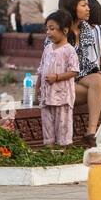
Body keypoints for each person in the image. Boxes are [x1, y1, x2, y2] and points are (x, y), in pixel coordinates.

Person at [59, 0, 101, 145]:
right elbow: (56, 65)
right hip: (59, 82)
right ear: (72, 6)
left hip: (77, 81)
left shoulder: (86, 28)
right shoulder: (58, 29)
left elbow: (85, 63)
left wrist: (98, 74)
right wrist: (97, 75)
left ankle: (99, 134)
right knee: (100, 86)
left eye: (88, 5)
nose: (88, 9)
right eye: (83, 5)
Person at [38, 10, 80, 146]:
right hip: (46, 96)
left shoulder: (69, 50)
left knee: (63, 127)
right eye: (47, 29)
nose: (48, 32)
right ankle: (49, 150)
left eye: (52, 29)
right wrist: (37, 87)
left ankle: (63, 150)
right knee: (47, 125)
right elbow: (41, 69)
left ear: (65, 30)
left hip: (62, 97)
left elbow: (74, 71)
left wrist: (56, 77)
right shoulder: (47, 49)